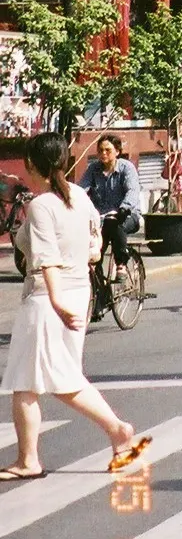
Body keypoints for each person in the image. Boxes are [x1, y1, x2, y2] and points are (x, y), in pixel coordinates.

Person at [1, 133, 150, 481]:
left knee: (28, 382)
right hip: (79, 291)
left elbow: (45, 261)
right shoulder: (80, 198)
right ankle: (114, 431)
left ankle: (30, 460)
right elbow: (95, 248)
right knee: (61, 376)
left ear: (31, 165)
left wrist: (54, 298)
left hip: (46, 298)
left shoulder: (41, 206)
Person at [80, 132, 142, 265]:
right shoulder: (93, 169)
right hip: (101, 219)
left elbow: (132, 190)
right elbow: (81, 190)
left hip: (126, 216)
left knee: (114, 224)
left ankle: (121, 264)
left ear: (117, 152)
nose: (103, 154)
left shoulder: (126, 168)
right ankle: (97, 279)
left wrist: (124, 208)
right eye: (100, 150)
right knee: (93, 250)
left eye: (108, 150)